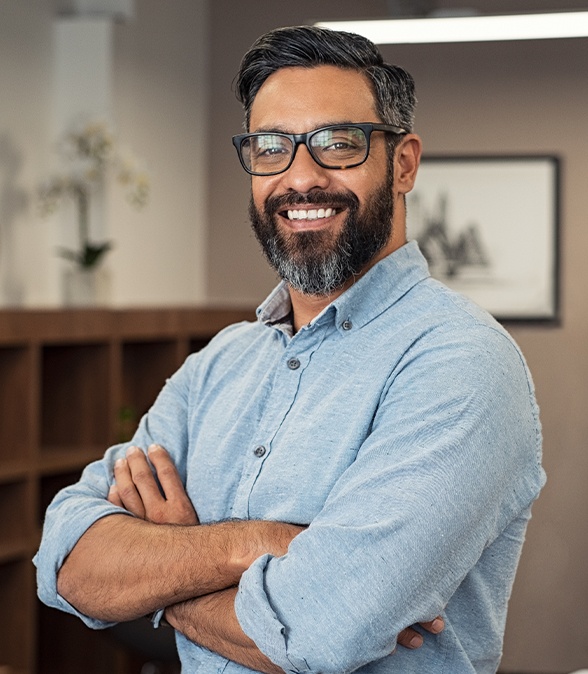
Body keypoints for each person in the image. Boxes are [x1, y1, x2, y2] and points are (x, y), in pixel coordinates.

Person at [35, 25, 545, 674]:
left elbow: (320, 633)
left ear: (404, 162)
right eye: (271, 147)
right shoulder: (220, 363)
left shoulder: (461, 363)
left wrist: (161, 568)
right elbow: (65, 560)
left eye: (337, 143)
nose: (300, 178)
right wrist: (256, 546)